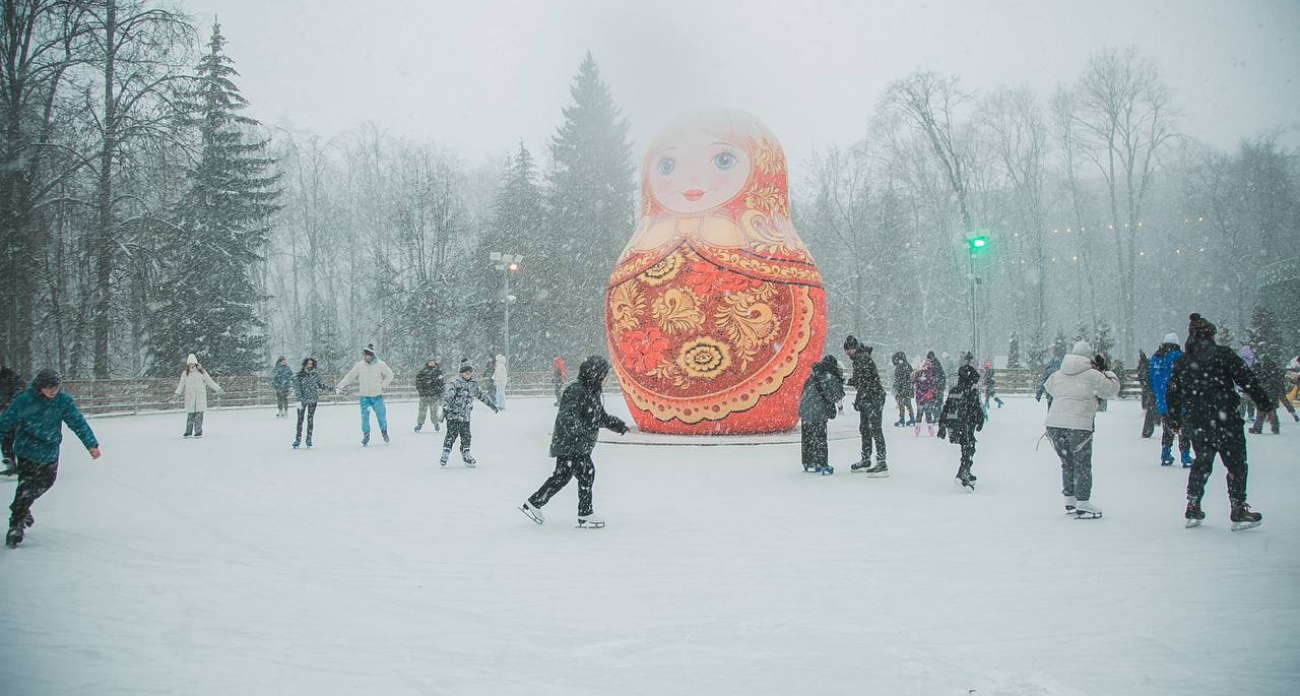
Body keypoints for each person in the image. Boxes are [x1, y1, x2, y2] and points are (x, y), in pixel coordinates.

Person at [1167, 313, 1272, 530]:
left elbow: (1173, 392)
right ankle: (1238, 507)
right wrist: (1264, 403)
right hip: (1225, 419)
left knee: (1202, 462)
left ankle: (1193, 504)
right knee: (1236, 464)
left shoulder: (1183, 361)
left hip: (1197, 420)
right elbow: (1247, 379)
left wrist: (1175, 419)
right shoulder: (1223, 355)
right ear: (1210, 335)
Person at [520, 356, 629, 528]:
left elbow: (598, 417)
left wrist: (617, 424)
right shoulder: (576, 390)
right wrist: (580, 432)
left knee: (563, 476)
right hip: (571, 443)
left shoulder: (592, 392)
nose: (603, 378)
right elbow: (567, 416)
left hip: (576, 444)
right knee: (586, 472)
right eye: (601, 374)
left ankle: (535, 503)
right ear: (592, 373)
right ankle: (584, 513)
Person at [0, 369, 101, 548]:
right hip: (27, 451)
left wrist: (91, 444)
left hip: (50, 451)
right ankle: (16, 525)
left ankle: (21, 506)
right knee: (26, 485)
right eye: (49, 388)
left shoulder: (62, 401)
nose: (53, 391)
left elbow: (77, 421)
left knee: (47, 482)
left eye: (55, 387)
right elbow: (6, 421)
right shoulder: (25, 401)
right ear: (40, 387)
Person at [1042, 341, 1121, 518]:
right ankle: (1083, 502)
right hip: (1078, 425)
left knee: (1067, 461)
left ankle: (1070, 498)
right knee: (1082, 463)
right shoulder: (1093, 375)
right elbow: (1112, 390)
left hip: (1054, 425)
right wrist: (1106, 371)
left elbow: (1049, 387)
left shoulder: (1059, 373)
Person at [938, 364, 986, 492]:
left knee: (966, 448)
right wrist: (980, 421)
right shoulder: (971, 392)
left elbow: (946, 408)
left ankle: (966, 471)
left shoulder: (955, 390)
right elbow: (977, 409)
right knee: (969, 448)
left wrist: (942, 426)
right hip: (965, 425)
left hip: (955, 426)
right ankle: (962, 473)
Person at [335, 345, 395, 446]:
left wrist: (383, 386)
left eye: (365, 355)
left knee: (381, 417)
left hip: (377, 396)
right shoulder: (359, 365)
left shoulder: (380, 364)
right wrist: (340, 386)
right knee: (365, 418)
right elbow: (349, 377)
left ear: (371, 355)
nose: (364, 357)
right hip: (364, 397)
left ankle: (384, 433)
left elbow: (390, 375)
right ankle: (366, 435)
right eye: (363, 355)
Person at [844, 335, 887, 475]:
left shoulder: (862, 358)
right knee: (865, 428)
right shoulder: (859, 359)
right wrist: (852, 382)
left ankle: (881, 462)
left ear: (854, 348)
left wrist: (858, 399)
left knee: (874, 428)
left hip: (874, 398)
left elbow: (864, 383)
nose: (847, 353)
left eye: (848, 350)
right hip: (868, 398)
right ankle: (866, 458)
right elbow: (860, 380)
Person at [439, 363, 498, 466]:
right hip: (453, 416)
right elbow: (448, 397)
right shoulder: (455, 384)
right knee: (451, 435)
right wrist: (445, 410)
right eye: (466, 373)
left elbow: (481, 396)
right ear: (462, 374)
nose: (469, 375)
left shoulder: (473, 385)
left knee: (466, 436)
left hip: (465, 417)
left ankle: (466, 453)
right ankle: (445, 453)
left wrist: (491, 405)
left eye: (470, 373)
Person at [798, 355, 845, 474]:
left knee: (807, 437)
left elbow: (803, 392)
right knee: (820, 438)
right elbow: (837, 395)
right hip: (818, 411)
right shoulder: (828, 377)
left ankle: (808, 462)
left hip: (805, 410)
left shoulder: (812, 376)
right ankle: (822, 463)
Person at [1149, 333, 1191, 467]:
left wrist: (1158, 394)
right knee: (1183, 428)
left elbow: (1151, 379)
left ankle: (1165, 454)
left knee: (1167, 428)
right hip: (1179, 399)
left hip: (1161, 400)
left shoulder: (1155, 359)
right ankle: (1185, 456)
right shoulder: (1180, 358)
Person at [1248, 350, 1298, 434]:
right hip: (1274, 394)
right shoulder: (1276, 372)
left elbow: (1257, 381)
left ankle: (1257, 428)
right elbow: (1281, 380)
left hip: (1264, 394)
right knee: (1273, 412)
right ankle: (1275, 428)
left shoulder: (1262, 372)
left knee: (1260, 413)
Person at [175, 354, 223, 438]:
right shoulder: (185, 374)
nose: (191, 365)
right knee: (190, 416)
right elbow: (181, 385)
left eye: (192, 363)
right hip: (190, 397)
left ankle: (198, 431)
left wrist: (218, 389)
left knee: (199, 416)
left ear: (196, 363)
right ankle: (188, 432)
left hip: (200, 397)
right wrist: (177, 393)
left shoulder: (201, 372)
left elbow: (209, 381)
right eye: (190, 363)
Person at [292, 357, 330, 449]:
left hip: (313, 400)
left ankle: (309, 438)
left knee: (310, 419)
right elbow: (297, 388)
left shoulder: (315, 375)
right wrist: (298, 399)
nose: (310, 365)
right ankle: (298, 439)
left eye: (311, 364)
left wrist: (330, 388)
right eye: (308, 363)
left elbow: (321, 385)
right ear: (305, 364)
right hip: (302, 400)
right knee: (300, 420)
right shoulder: (300, 375)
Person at [0, 357, 27, 475]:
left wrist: (9, 405)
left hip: (13, 414)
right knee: (6, 439)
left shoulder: (10, 376)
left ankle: (25, 466)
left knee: (17, 438)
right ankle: (10, 462)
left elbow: (20, 389)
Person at [912, 356, 941, 437]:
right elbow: (932, 384)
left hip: (920, 396)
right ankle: (930, 429)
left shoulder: (919, 373)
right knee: (927, 413)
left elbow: (914, 380)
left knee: (919, 413)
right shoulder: (931, 373)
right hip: (927, 396)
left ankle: (918, 429)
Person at [414, 359, 445, 433]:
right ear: (427, 363)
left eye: (433, 362)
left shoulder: (438, 372)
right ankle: (419, 424)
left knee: (434, 411)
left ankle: (436, 424)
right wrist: (421, 391)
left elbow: (441, 384)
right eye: (430, 362)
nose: (431, 364)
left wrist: (438, 393)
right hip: (424, 396)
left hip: (434, 396)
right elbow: (418, 382)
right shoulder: (422, 372)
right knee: (422, 411)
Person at [890, 351, 915, 427]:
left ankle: (902, 419)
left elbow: (898, 380)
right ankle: (912, 419)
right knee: (908, 404)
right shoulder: (908, 366)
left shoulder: (899, 367)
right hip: (908, 388)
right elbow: (912, 377)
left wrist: (898, 389)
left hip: (902, 389)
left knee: (901, 404)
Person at [1137, 350, 1158, 438]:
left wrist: (1145, 385)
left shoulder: (1144, 366)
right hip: (1151, 389)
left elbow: (1144, 377)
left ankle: (1147, 431)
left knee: (1150, 408)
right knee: (1152, 407)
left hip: (1149, 389)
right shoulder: (1147, 364)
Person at [1237, 344, 1258, 421]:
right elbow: (1257, 369)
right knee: (1250, 400)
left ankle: (1241, 414)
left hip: (1241, 384)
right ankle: (1251, 415)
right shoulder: (1253, 359)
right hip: (1250, 383)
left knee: (1242, 401)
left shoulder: (1240, 358)